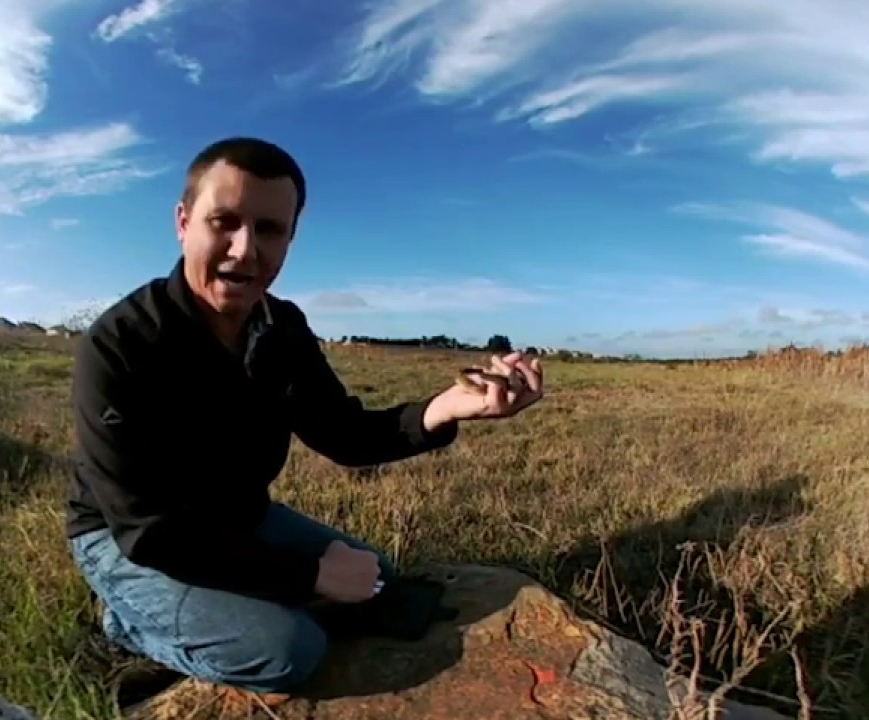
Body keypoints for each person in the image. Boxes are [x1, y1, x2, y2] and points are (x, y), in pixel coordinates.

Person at [65, 136, 544, 708]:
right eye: (224, 222)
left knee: (376, 578)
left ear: (291, 237)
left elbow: (347, 435)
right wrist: (308, 577)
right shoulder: (120, 345)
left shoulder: (282, 328)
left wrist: (448, 407)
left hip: (239, 515)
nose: (245, 250)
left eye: (269, 229)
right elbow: (149, 532)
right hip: (128, 539)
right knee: (290, 650)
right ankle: (127, 623)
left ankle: (231, 609)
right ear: (183, 222)